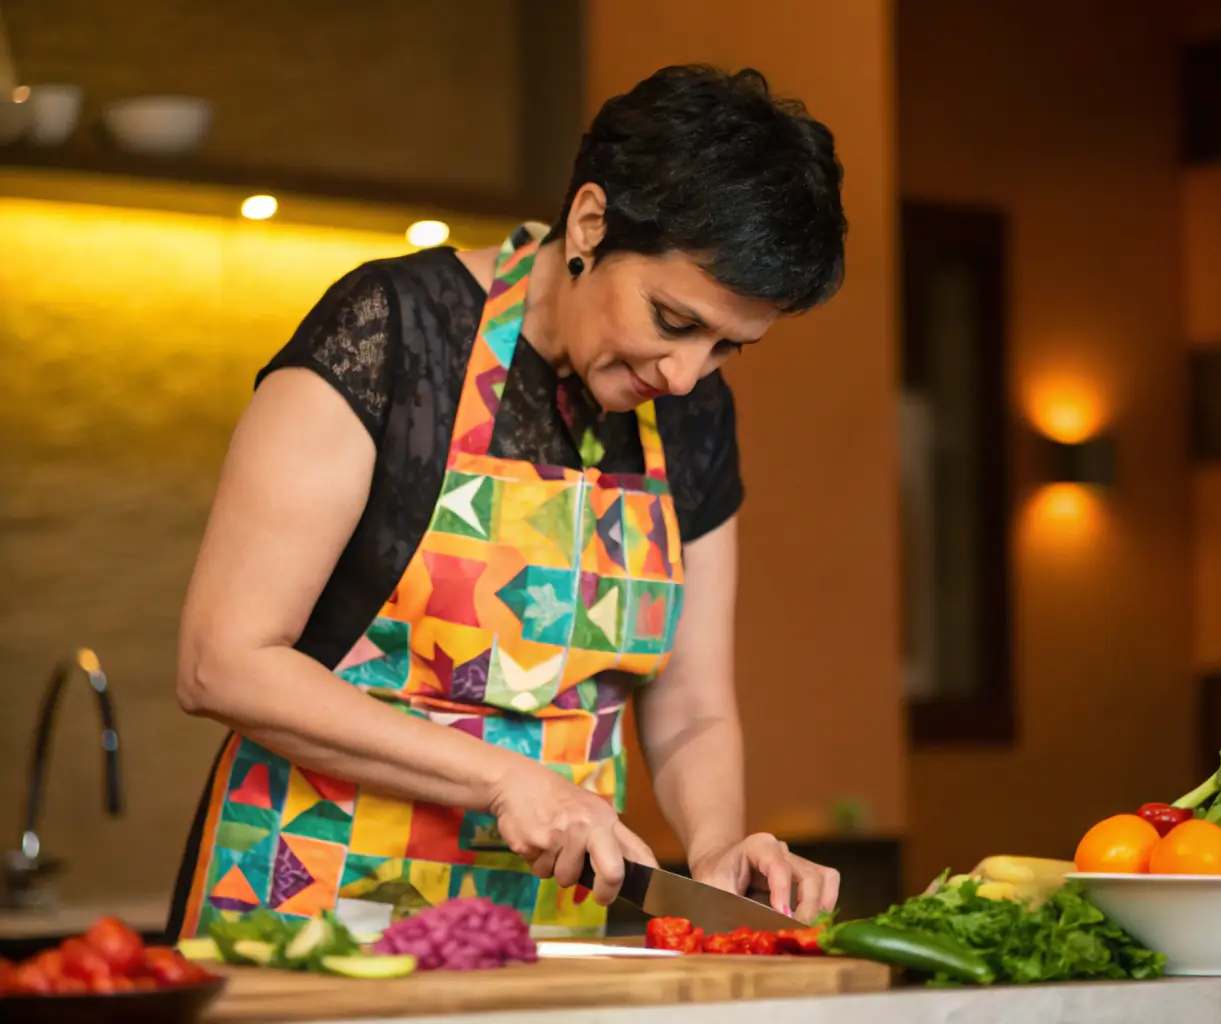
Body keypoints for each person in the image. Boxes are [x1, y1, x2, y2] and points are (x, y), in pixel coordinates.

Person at [169, 64, 847, 942]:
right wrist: (501, 779)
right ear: (591, 221)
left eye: (728, 348)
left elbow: (692, 707)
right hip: (306, 907)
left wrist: (716, 844)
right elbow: (221, 661)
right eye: (673, 321)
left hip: (546, 935)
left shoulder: (691, 416)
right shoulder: (392, 334)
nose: (685, 375)